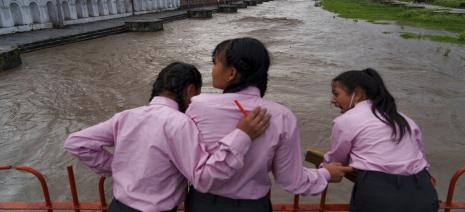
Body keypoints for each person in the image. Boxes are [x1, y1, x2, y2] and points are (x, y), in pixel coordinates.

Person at [64, 62, 271, 212]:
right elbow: (203, 178)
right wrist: (242, 135)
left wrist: (116, 166)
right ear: (189, 91)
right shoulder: (181, 123)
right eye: (196, 95)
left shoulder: (126, 116)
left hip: (118, 207)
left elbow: (77, 143)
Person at [185, 38, 353, 212]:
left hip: (202, 203)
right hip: (253, 207)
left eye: (215, 63)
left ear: (231, 73)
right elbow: (291, 180)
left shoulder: (198, 106)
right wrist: (325, 173)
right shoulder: (282, 116)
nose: (213, 70)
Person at [323, 68, 439, 212]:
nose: (332, 100)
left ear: (357, 94)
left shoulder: (345, 120)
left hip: (379, 198)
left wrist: (323, 168)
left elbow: (337, 161)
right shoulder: (404, 119)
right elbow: (420, 155)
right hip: (424, 193)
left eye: (336, 94)